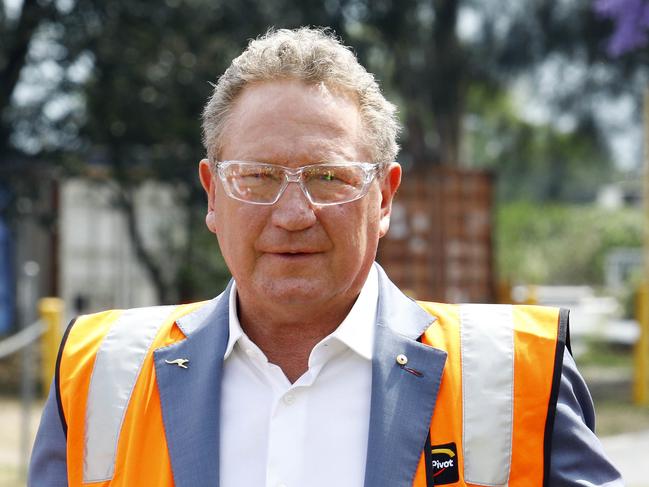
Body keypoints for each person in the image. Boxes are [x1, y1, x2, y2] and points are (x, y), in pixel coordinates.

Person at [29, 27, 622, 487]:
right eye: (257, 177)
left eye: (327, 177)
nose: (292, 213)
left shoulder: (516, 375)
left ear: (384, 197)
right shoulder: (100, 373)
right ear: (212, 195)